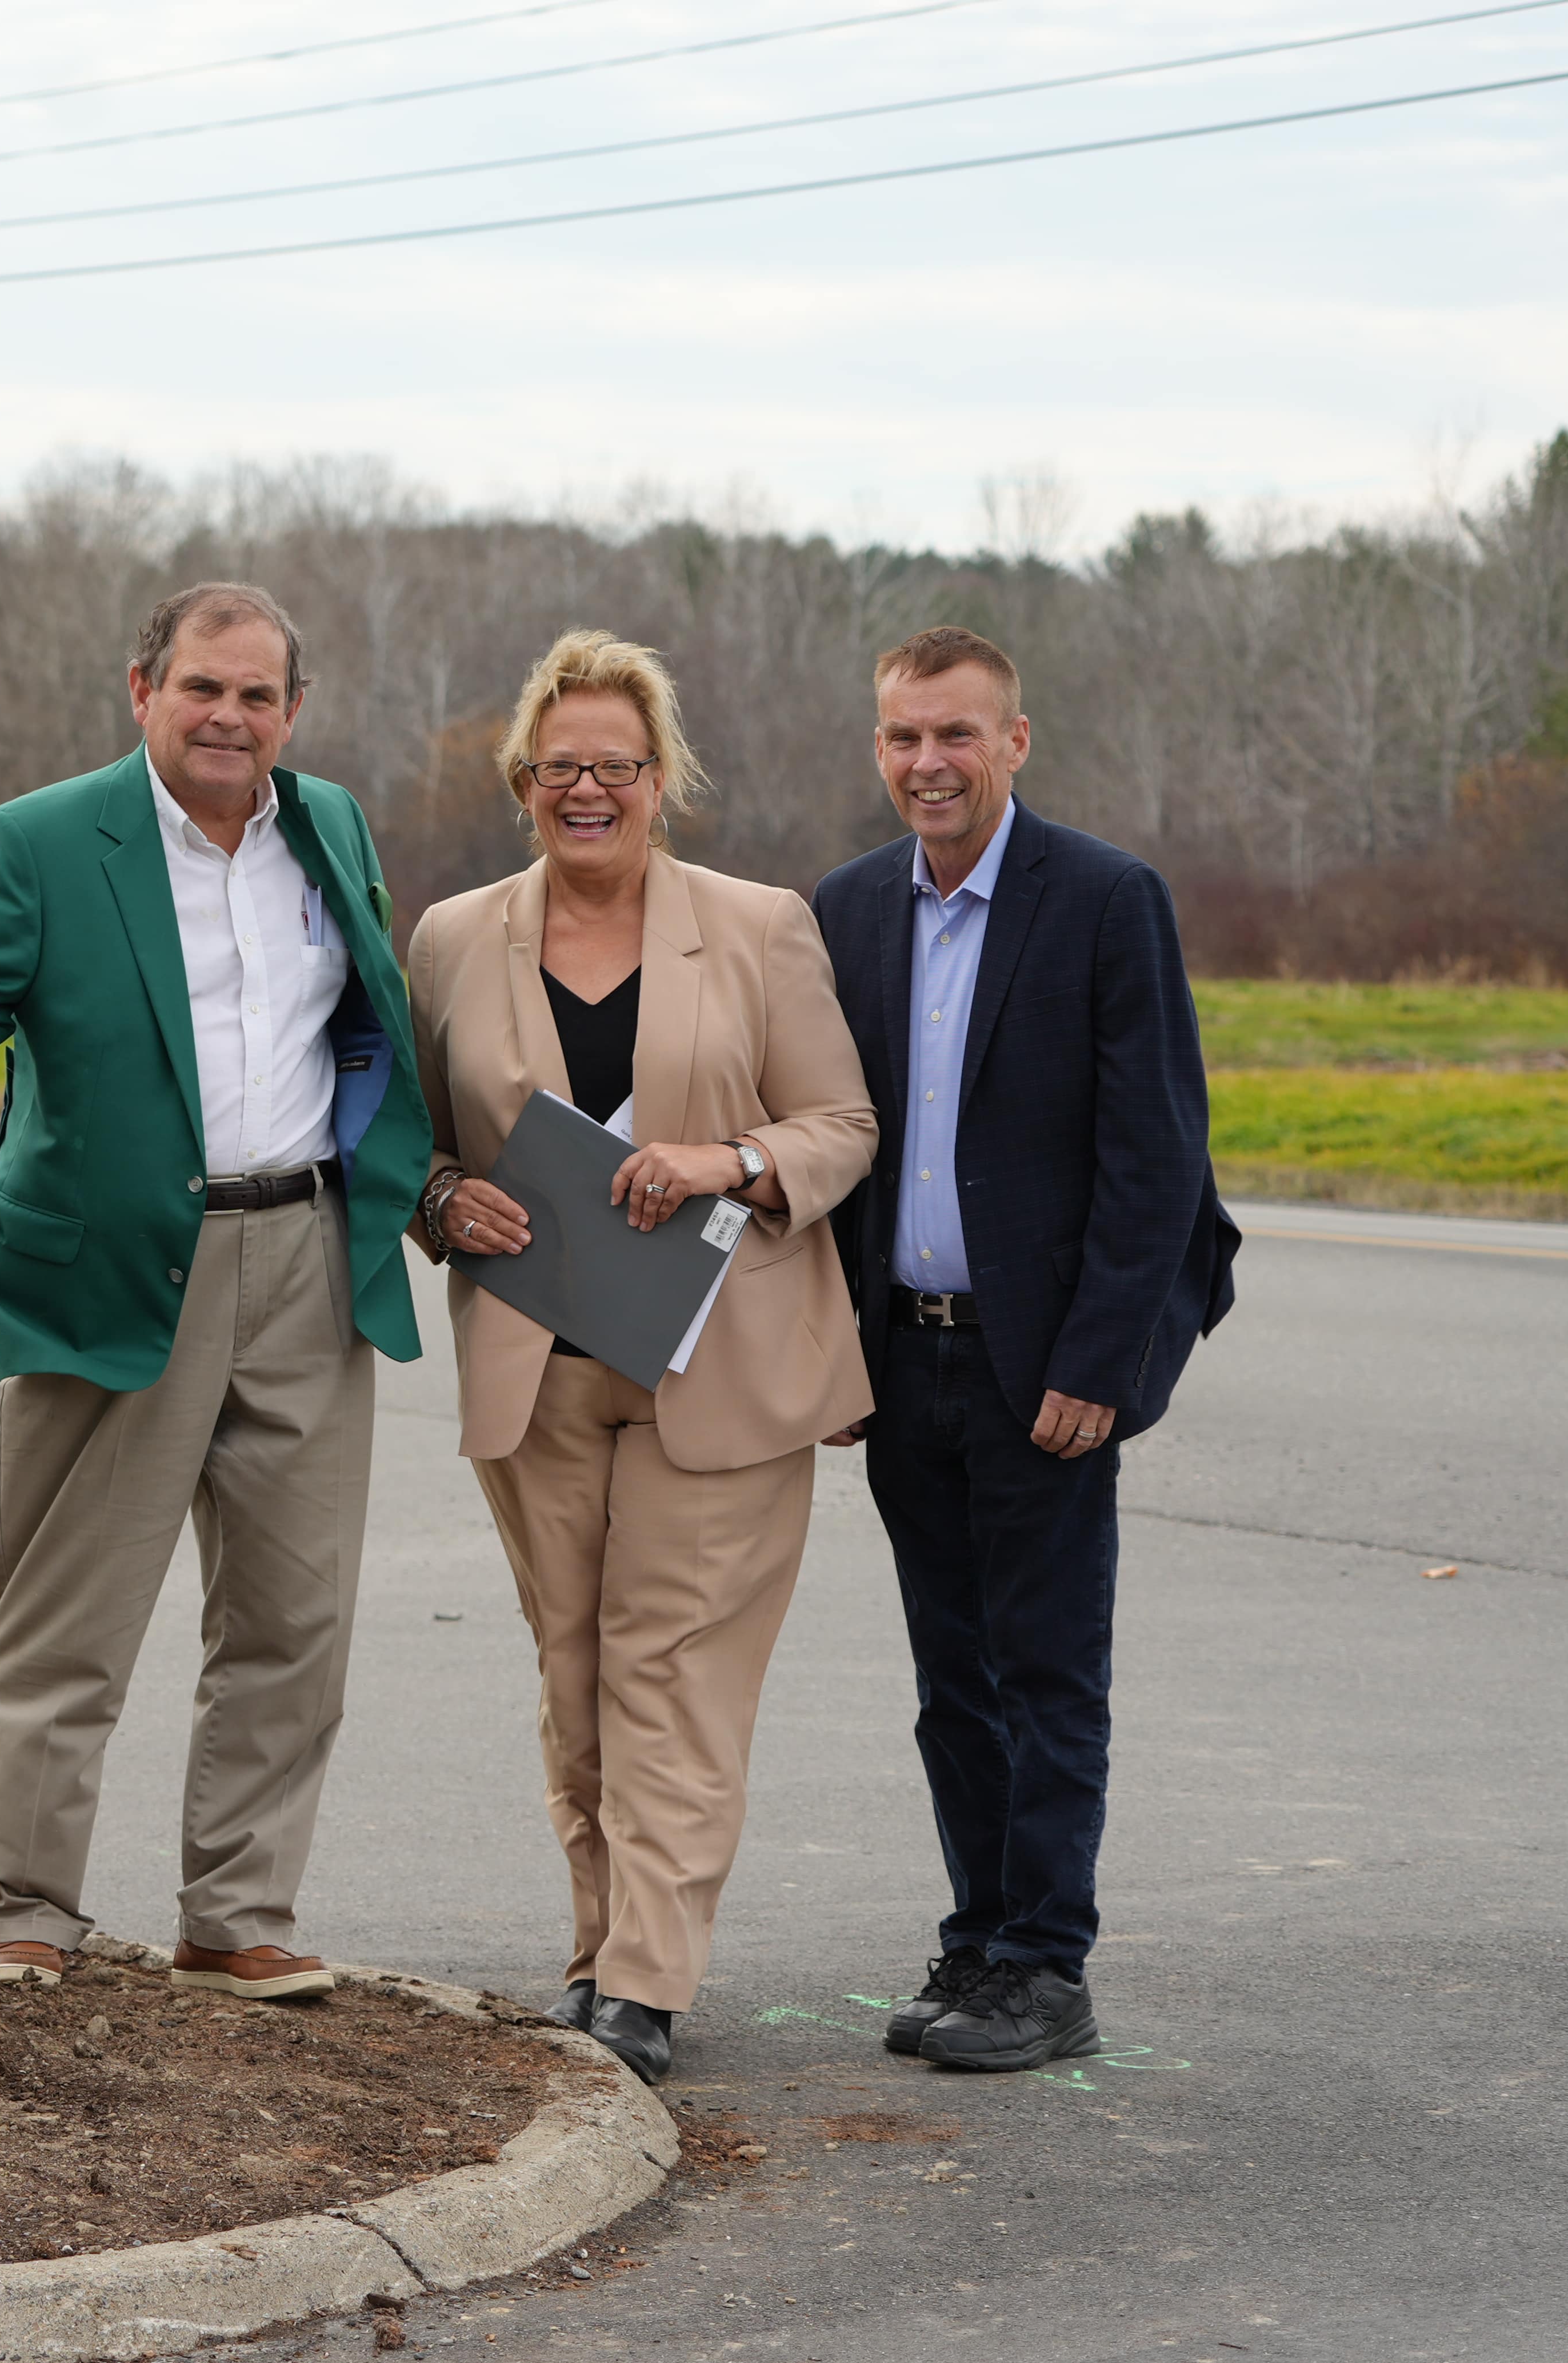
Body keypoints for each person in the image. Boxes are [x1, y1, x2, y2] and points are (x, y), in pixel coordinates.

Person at [0, 583, 427, 2004]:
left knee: (292, 1616)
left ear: (293, 711)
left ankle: (239, 1913)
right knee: (67, 1619)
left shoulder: (326, 826)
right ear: (140, 687)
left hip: (308, 1257)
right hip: (116, 1268)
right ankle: (25, 1911)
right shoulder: (36, 842)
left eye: (258, 696)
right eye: (203, 688)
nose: (229, 717)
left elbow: (368, 1025)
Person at [406, 630, 878, 2085]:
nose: (590, 789)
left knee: (672, 1668)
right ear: (523, 785)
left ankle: (648, 1983)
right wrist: (439, 1199)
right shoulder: (447, 938)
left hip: (718, 1359)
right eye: (562, 769)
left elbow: (840, 1127)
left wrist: (726, 1158)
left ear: (662, 779)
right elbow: (411, 1142)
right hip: (537, 1361)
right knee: (577, 1667)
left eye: (618, 765)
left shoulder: (758, 926)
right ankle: (598, 1945)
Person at [817, 628, 1238, 2074]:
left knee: (1048, 1671)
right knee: (951, 1679)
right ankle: (980, 1934)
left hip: (1043, 1367)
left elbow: (1155, 1157)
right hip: (904, 1358)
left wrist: (1100, 1364)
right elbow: (842, 1151)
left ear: (1015, 741)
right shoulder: (849, 910)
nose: (927, 762)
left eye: (956, 735)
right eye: (902, 738)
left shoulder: (1108, 900)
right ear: (877, 747)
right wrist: (833, 1356)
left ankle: (1049, 1963)